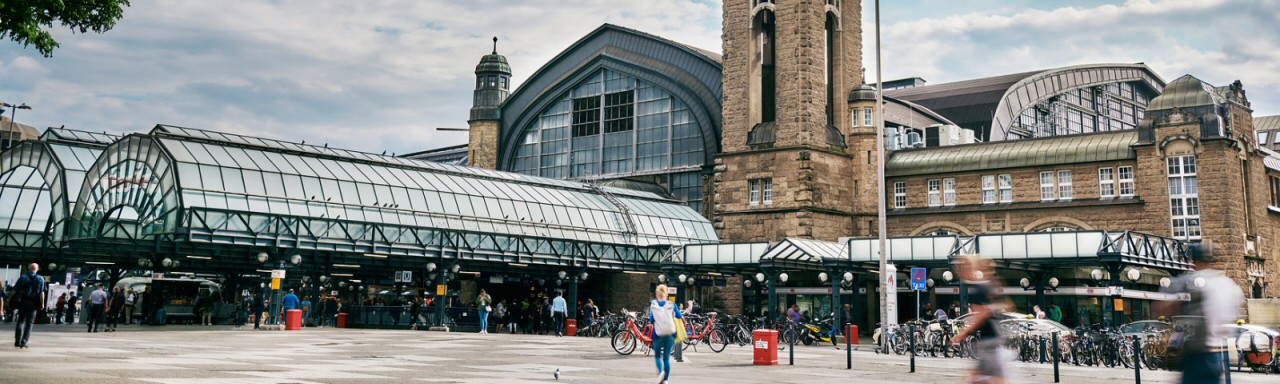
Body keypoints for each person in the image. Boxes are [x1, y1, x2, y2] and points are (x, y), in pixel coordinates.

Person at [1157, 242, 1244, 384]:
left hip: (1198, 353)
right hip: (1219, 352)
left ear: (1195, 262)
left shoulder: (1191, 281)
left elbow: (1163, 307)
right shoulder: (1227, 284)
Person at [951, 255, 1012, 384]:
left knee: (991, 379)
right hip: (990, 341)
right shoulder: (985, 286)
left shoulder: (980, 288)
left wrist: (963, 333)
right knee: (978, 378)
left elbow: (983, 314)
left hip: (990, 342)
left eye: (960, 268)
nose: (958, 272)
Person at [649, 284, 682, 384]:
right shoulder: (672, 304)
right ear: (666, 294)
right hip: (670, 334)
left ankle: (661, 373)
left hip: (658, 334)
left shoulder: (654, 305)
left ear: (657, 294)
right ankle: (666, 380)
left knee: (658, 356)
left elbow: (651, 320)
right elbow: (679, 316)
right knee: (666, 358)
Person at [11, 263, 46, 348]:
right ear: (37, 269)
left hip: (22, 302)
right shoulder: (40, 278)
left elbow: (15, 290)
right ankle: (24, 341)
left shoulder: (23, 277)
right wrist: (42, 303)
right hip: (33, 303)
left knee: (20, 321)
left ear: (29, 268)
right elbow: (42, 293)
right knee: (29, 323)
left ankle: (17, 340)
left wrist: (10, 299)